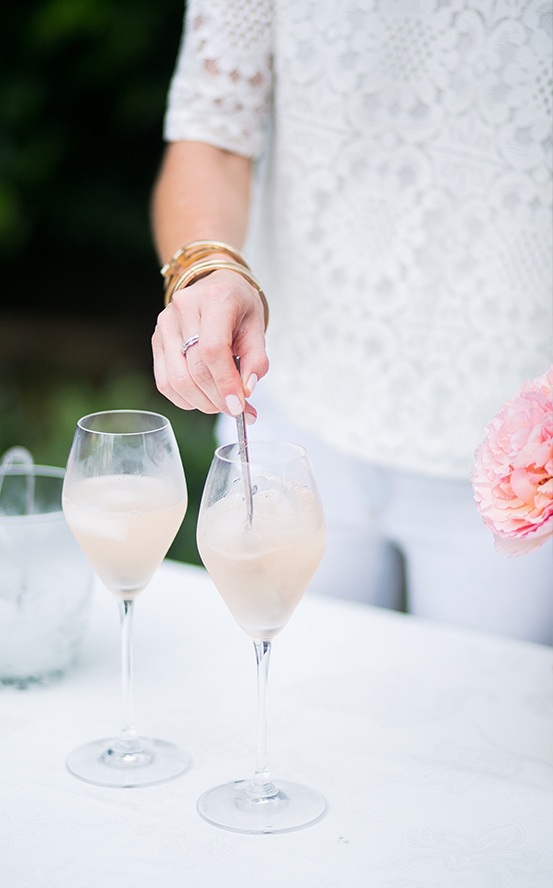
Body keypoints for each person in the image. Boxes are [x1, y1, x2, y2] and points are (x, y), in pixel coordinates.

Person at [151, 1, 553, 644]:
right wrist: (206, 271)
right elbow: (211, 131)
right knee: (293, 690)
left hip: (521, 450)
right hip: (288, 410)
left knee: (489, 727)